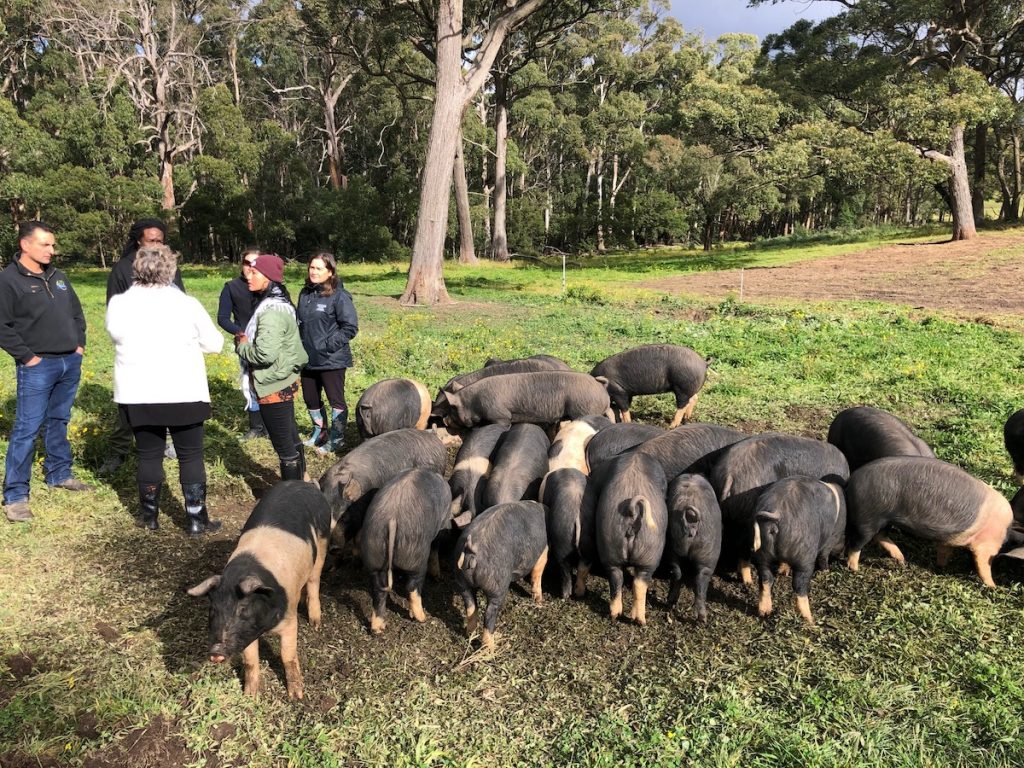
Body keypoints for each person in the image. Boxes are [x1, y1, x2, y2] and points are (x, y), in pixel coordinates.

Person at [106, 245, 224, 534]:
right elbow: (215, 344)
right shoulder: (187, 304)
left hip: (139, 393)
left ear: (136, 269)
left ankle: (149, 517)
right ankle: (197, 520)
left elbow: (115, 336)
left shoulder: (120, 305)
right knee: (191, 455)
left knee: (148, 455)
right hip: (184, 391)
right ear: (171, 270)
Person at [0, 221, 92, 523]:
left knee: (59, 420)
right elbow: (2, 326)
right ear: (25, 245)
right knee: (27, 428)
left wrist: (79, 345)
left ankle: (59, 473)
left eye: (53, 244)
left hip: (69, 362)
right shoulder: (9, 280)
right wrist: (28, 358)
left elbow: (77, 314)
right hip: (38, 366)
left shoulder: (59, 277)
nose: (52, 250)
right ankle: (15, 495)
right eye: (46, 245)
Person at [99, 218, 183, 475]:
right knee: (127, 404)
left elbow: (181, 302)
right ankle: (119, 451)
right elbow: (114, 312)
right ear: (138, 241)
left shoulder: (172, 269)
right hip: (135, 350)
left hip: (166, 348)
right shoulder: (122, 269)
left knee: (166, 398)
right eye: (151, 240)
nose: (157, 244)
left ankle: (166, 443)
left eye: (160, 240)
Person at [235, 253, 309, 480]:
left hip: (273, 386)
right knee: (291, 437)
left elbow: (264, 354)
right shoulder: (278, 303)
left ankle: (292, 499)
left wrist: (242, 346)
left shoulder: (271, 311)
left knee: (284, 448)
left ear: (268, 278)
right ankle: (304, 484)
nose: (248, 276)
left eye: (255, 272)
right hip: (283, 379)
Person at [296, 251, 358, 454]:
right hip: (308, 359)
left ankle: (337, 438)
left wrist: (327, 346)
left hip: (332, 359)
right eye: (311, 268)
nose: (313, 272)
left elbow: (350, 327)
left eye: (319, 268)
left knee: (335, 400)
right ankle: (319, 432)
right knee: (311, 399)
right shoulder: (305, 293)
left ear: (330, 272)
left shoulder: (339, 296)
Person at [217, 247, 267, 440]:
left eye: (255, 263)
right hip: (245, 343)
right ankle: (256, 426)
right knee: (251, 383)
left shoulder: (269, 286)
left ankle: (271, 425)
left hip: (268, 343)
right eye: (247, 263)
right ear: (241, 264)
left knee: (269, 382)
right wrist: (239, 333)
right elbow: (223, 318)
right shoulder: (231, 287)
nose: (250, 267)